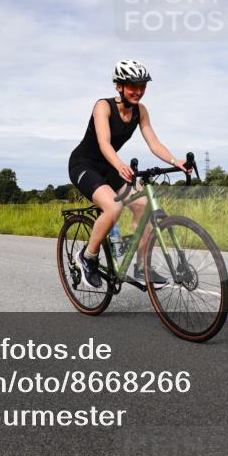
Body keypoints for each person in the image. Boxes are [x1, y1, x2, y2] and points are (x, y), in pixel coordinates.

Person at [68, 60, 190, 289]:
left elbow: (153, 142)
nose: (139, 91)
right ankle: (88, 257)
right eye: (133, 86)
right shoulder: (103, 106)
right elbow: (104, 143)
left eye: (142, 86)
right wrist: (120, 164)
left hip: (110, 167)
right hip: (84, 165)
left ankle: (142, 267)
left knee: (143, 204)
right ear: (119, 86)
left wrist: (176, 161)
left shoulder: (140, 111)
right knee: (113, 207)